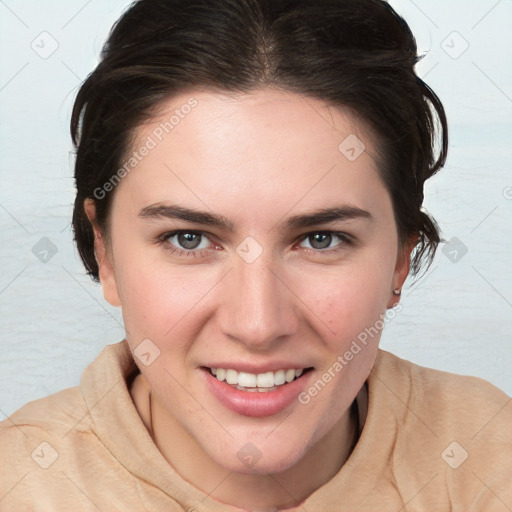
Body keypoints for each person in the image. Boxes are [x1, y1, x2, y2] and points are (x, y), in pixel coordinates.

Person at [1, 0, 510, 510]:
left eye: (321, 239)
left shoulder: (490, 456)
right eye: (189, 238)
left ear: (400, 259)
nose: (257, 324)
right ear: (105, 252)